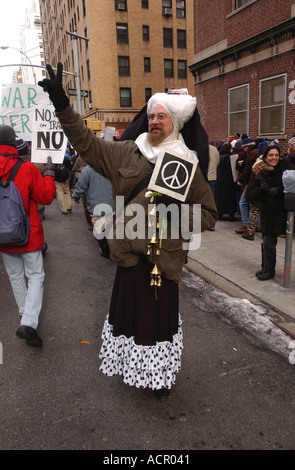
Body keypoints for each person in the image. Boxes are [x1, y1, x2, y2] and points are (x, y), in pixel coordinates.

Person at [38, 63, 217, 398]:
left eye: (161, 117)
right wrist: (62, 105)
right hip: (127, 259)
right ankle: (134, 368)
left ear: (175, 122)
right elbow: (87, 144)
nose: (153, 121)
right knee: (132, 322)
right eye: (151, 116)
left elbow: (208, 214)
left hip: (162, 263)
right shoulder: (126, 151)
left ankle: (159, 377)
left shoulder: (188, 165)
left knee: (157, 326)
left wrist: (171, 219)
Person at [0, 125, 56, 347]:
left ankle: (26, 316)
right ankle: (29, 321)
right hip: (28, 233)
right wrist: (49, 174)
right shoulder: (27, 168)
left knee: (15, 276)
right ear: (14, 142)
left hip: (2, 234)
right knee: (35, 275)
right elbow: (45, 196)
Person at [249, 145, 295, 281]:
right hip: (269, 214)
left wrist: (280, 191)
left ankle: (269, 270)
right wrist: (262, 192)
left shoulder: (287, 170)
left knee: (268, 243)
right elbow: (251, 195)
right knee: (267, 243)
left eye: (276, 155)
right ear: (265, 158)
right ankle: (267, 269)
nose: (273, 158)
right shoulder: (261, 173)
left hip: (284, 213)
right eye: (270, 155)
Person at [72, 164, 114, 257]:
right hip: (112, 205)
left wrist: (75, 197)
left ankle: (107, 251)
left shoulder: (87, 170)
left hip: (96, 208)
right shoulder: (111, 167)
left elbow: (80, 187)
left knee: (100, 233)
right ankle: (110, 249)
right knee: (111, 230)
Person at [235, 137, 257, 234]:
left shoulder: (252, 154)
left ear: (248, 147)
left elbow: (247, 170)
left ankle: (246, 224)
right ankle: (258, 225)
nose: (244, 150)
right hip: (255, 181)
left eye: (244, 147)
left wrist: (240, 179)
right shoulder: (255, 152)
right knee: (254, 204)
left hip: (251, 182)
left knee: (243, 202)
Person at [215, 142, 237, 221]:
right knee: (230, 198)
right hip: (229, 180)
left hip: (220, 180)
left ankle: (220, 214)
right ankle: (231, 215)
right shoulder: (230, 158)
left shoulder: (219, 157)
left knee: (220, 197)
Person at [207, 141, 220, 230]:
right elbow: (218, 161)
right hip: (212, 176)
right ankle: (212, 224)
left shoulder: (198, 147)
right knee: (212, 201)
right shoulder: (214, 149)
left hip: (203, 178)